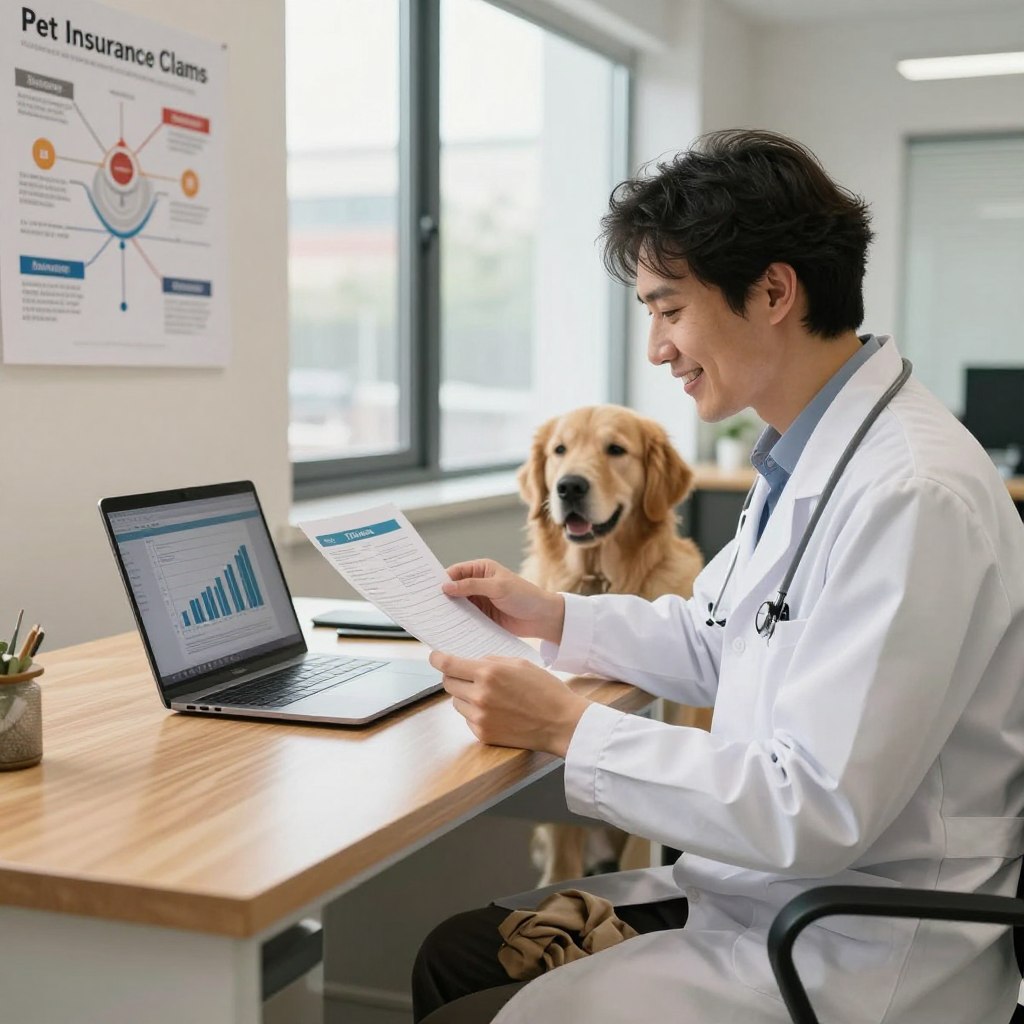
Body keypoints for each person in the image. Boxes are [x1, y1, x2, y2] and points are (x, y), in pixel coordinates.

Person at [412, 129, 1024, 1023]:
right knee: (455, 954)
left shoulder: (910, 494)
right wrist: (552, 615)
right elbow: (720, 631)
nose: (658, 348)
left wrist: (571, 726)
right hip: (767, 896)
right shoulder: (810, 457)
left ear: (774, 291)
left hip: (848, 945)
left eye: (669, 309)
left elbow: (812, 808)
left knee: (467, 998)